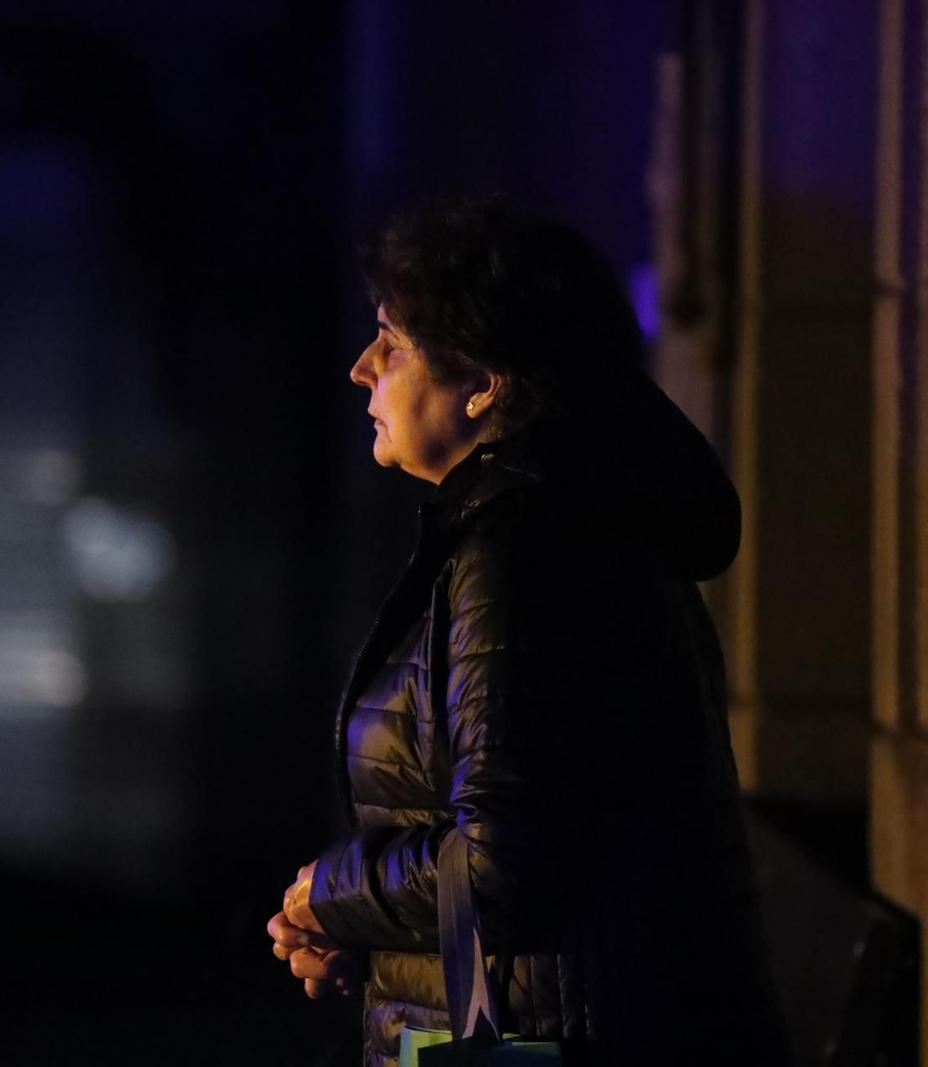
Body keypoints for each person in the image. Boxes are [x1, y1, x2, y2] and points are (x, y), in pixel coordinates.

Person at [266, 201, 791, 1067]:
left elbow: (508, 860)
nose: (363, 368)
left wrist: (332, 891)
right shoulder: (546, 526)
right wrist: (366, 938)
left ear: (483, 382)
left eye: (393, 342)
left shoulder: (527, 549)